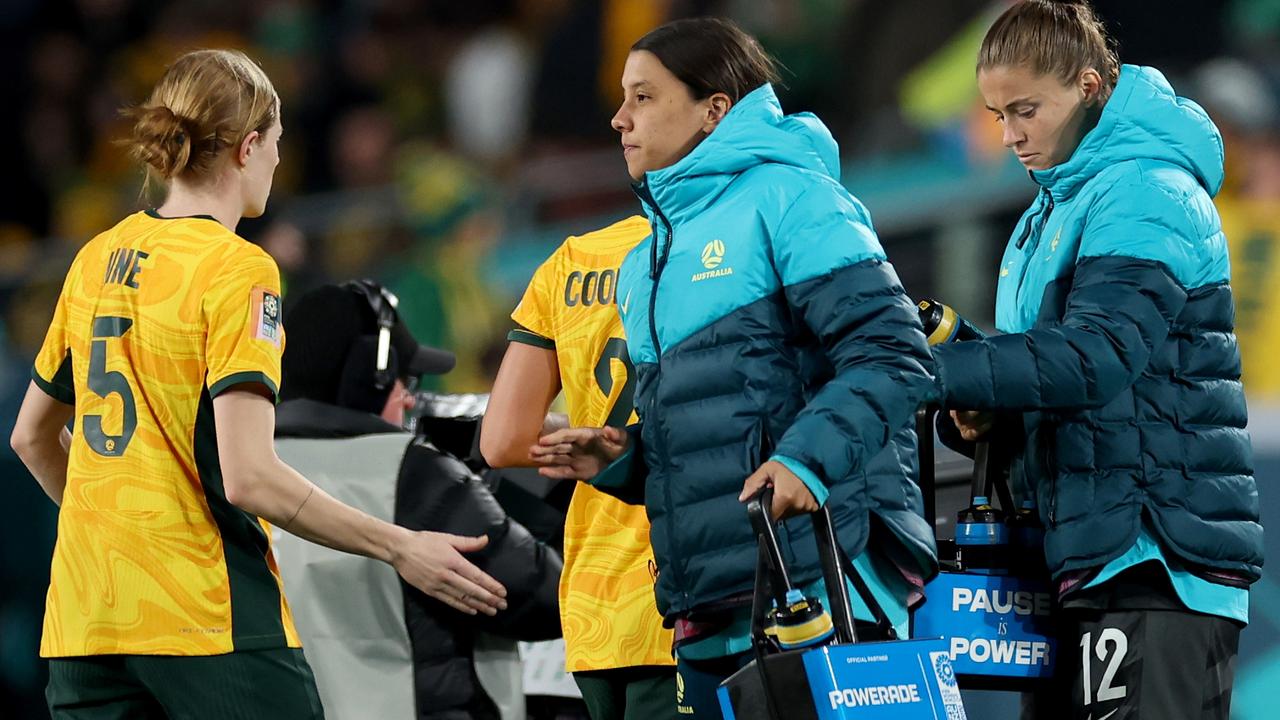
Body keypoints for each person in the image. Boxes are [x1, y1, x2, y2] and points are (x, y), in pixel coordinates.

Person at [8, 49, 505, 720]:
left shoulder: (96, 259)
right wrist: (401, 546)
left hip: (83, 618)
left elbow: (32, 436)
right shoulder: (238, 271)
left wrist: (117, 539)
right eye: (275, 143)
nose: (277, 159)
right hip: (202, 615)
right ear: (247, 147)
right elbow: (249, 479)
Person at [531, 18, 938, 718]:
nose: (618, 118)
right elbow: (709, 430)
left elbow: (895, 353)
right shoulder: (644, 262)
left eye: (645, 97)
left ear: (715, 108)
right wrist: (622, 459)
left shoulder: (795, 198)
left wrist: (807, 462)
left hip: (823, 576)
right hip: (711, 603)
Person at [930, 2, 1262, 718]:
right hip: (1078, 556)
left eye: (1026, 109)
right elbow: (1049, 378)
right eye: (997, 116)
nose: (1012, 136)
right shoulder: (1044, 214)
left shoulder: (1148, 189)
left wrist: (933, 374)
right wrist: (981, 412)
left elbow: (1096, 358)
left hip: (1154, 558)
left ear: (1086, 86)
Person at [272, 282, 562, 720]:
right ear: (367, 380)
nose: (411, 398)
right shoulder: (413, 473)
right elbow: (544, 600)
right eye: (402, 383)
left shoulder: (241, 473)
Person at [480, 214, 679, 720]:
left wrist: (584, 426)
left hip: (596, 599)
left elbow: (502, 442)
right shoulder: (718, 241)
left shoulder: (570, 261)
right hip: (684, 587)